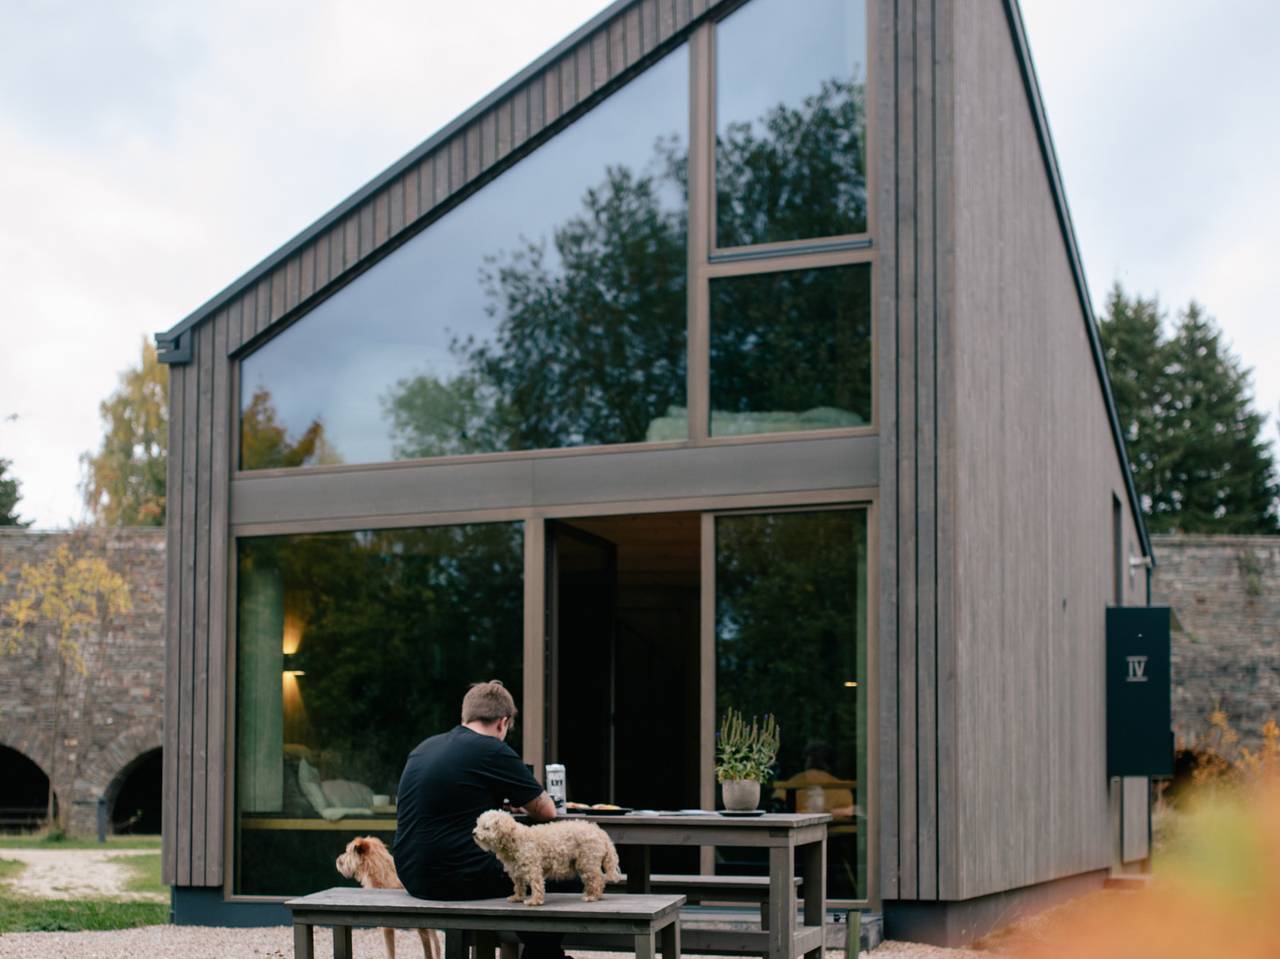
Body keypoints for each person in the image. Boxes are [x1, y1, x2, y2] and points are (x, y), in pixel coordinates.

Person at [393, 679, 567, 958]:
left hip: (412, 874)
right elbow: (547, 811)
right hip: (456, 876)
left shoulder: (424, 747)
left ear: (465, 716)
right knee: (559, 870)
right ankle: (543, 956)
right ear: (503, 722)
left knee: (523, 869)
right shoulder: (492, 749)